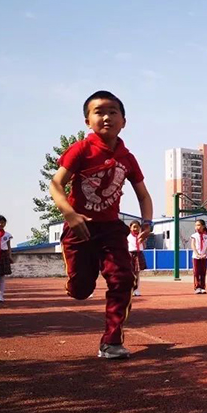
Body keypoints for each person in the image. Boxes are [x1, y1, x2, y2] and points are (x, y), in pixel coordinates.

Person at [50, 90, 153, 359]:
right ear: (88, 121)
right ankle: (75, 283)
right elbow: (56, 184)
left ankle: (111, 341)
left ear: (124, 121)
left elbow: (143, 193)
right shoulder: (81, 149)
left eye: (113, 112)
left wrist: (148, 220)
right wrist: (70, 215)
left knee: (123, 279)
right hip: (79, 228)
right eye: (99, 112)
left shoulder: (128, 158)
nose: (106, 116)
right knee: (82, 289)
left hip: (110, 230)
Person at [191, 219, 207, 294]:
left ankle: (202, 287)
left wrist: (205, 254)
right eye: (196, 225)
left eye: (199, 225)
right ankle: (197, 287)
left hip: (205, 256)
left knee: (203, 272)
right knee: (196, 272)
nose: (197, 227)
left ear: (203, 226)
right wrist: (197, 254)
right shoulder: (194, 236)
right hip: (196, 257)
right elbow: (193, 245)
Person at [127, 220, 147, 297]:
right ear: (130, 227)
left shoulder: (141, 236)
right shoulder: (128, 236)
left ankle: (136, 290)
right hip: (130, 254)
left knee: (137, 273)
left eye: (137, 227)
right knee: (131, 274)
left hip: (139, 254)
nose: (136, 228)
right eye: (134, 227)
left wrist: (143, 240)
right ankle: (130, 290)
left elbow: (144, 246)